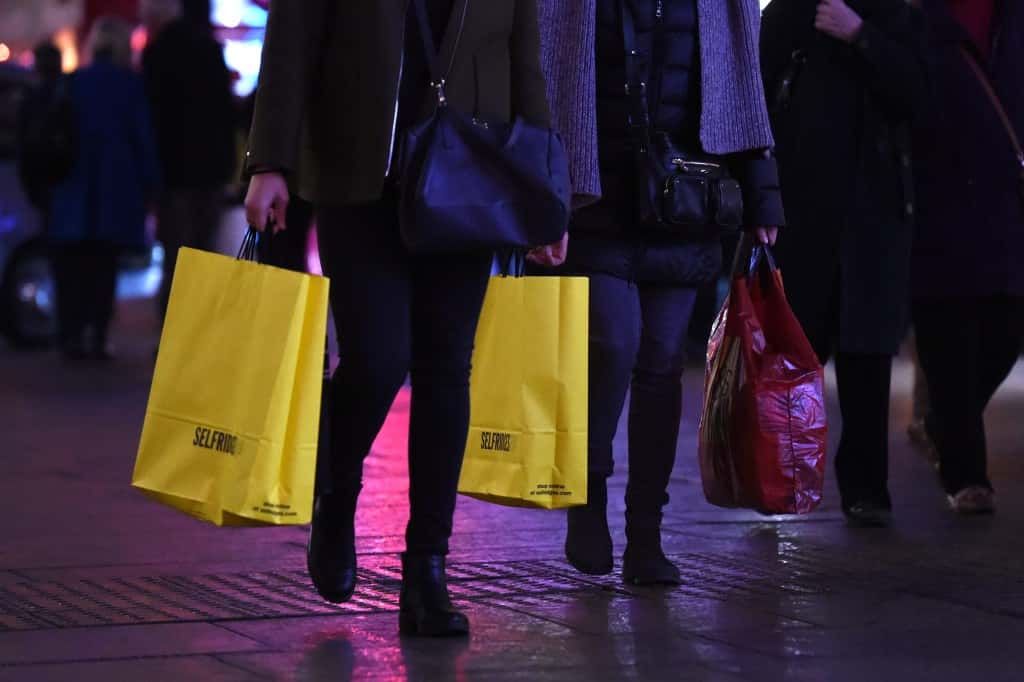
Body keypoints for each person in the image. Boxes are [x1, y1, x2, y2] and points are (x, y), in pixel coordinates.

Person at [244, 0, 559, 637]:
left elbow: (525, 64)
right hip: (359, 179)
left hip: (469, 173)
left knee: (447, 370)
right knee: (377, 357)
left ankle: (428, 572)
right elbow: (292, 41)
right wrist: (269, 161)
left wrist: (542, 194)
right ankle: (335, 494)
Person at [535, 0, 785, 584]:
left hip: (684, 200)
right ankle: (587, 492)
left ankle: (646, 534)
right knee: (612, 344)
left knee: (662, 366)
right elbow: (544, 76)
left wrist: (762, 197)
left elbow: (741, 90)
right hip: (592, 196)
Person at [761, 0, 926, 528]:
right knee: (790, 357)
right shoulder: (789, 14)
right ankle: (778, 481)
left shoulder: (892, 14)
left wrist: (860, 36)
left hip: (871, 215)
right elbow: (762, 103)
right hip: (801, 215)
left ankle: (866, 489)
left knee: (867, 358)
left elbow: (919, 95)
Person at [910, 0, 1024, 515]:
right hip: (936, 199)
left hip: (1006, 197)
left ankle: (943, 424)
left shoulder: (1012, 16)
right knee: (949, 340)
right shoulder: (918, 17)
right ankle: (967, 478)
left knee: (1005, 333)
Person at [47, 18, 160, 361]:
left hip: (72, 189)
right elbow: (142, 138)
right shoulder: (129, 85)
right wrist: (151, 185)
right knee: (103, 266)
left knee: (72, 266)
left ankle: (70, 334)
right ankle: (96, 335)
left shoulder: (73, 82)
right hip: (115, 188)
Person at [141, 0, 237, 320]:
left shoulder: (156, 54)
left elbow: (152, 118)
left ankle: (172, 335)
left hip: (173, 173)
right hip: (210, 171)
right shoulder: (210, 51)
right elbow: (225, 115)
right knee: (204, 254)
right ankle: (200, 331)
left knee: (175, 258)